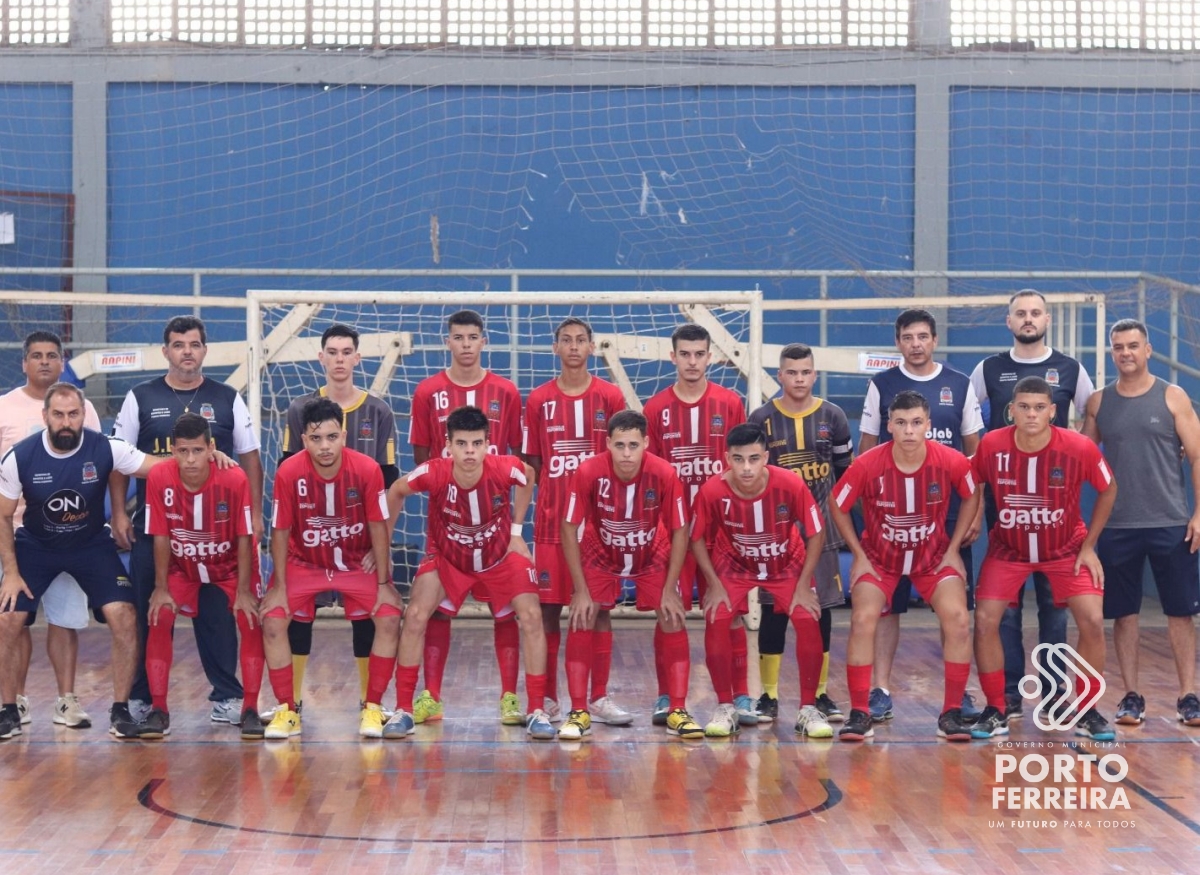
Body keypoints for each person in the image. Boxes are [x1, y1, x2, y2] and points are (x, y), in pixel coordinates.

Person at [112, 315, 264, 724]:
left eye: (194, 345)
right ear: (166, 351)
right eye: (178, 345)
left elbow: (249, 455)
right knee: (153, 611)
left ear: (204, 351)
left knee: (218, 618)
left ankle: (228, 698)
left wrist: (257, 512)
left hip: (218, 532)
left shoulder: (227, 396)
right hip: (157, 528)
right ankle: (145, 698)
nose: (186, 352)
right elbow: (116, 459)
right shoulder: (139, 397)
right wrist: (116, 513)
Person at [0, 383, 160, 740]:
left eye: (73, 414)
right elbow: (2, 515)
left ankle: (120, 711)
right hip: (36, 545)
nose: (66, 422)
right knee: (8, 618)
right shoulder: (20, 456)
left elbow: (158, 468)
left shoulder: (105, 447)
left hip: (90, 544)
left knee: (125, 615)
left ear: (84, 415)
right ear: (45, 417)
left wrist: (204, 458)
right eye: (58, 415)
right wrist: (10, 572)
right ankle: (8, 710)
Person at [387, 405, 554, 740]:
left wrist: (518, 532)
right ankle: (404, 709)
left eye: (476, 444)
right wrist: (384, 547)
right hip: (449, 558)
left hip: (498, 556)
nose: (469, 452)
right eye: (461, 444)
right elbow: (396, 491)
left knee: (533, 616)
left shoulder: (505, 467)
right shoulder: (432, 472)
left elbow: (530, 476)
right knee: (416, 614)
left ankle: (536, 710)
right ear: (448, 445)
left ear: (488, 444)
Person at [969, 376, 1117, 741]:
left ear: (1053, 411)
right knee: (986, 619)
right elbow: (971, 481)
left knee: (1093, 620)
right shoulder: (991, 445)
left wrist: (1089, 546)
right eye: (1024, 407)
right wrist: (971, 522)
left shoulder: (1079, 447)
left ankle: (1087, 709)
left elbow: (1108, 488)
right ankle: (995, 707)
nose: (1031, 414)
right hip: (1008, 550)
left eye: (1039, 408)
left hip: (1066, 549)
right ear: (1011, 410)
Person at [969, 289, 1095, 717]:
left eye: (1035, 313)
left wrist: (1080, 459)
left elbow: (1091, 415)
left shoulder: (1071, 369)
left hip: (1057, 510)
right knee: (1004, 608)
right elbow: (972, 427)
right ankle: (1006, 694)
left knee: (1054, 608)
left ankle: (1057, 693)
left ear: (1047, 319)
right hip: (1007, 509)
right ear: (1008, 321)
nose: (1028, 319)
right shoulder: (987, 369)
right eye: (1020, 313)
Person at [830, 391, 980, 743]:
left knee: (958, 619)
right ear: (889, 426)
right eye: (901, 423)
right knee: (862, 619)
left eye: (916, 423)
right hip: (880, 558)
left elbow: (973, 493)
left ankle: (952, 712)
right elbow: (838, 505)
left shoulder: (951, 460)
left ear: (928, 425)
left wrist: (954, 548)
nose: (909, 430)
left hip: (932, 558)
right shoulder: (868, 464)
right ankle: (859, 713)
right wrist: (859, 554)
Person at [858, 309, 983, 723]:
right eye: (908, 337)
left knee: (955, 610)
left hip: (944, 515)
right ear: (898, 342)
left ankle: (959, 692)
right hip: (891, 517)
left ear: (934, 340)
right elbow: (866, 448)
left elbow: (974, 453)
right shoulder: (882, 385)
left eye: (923, 336)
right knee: (885, 608)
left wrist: (976, 510)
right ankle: (879, 688)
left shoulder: (959, 384)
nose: (916, 343)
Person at [259, 398, 401, 740]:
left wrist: (383, 580)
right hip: (304, 562)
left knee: (389, 616)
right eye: (316, 438)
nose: (325, 445)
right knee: (274, 618)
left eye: (332, 437)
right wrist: (278, 584)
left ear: (344, 435)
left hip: (354, 562)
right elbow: (279, 530)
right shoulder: (289, 472)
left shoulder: (367, 469)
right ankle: (287, 710)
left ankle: (372, 707)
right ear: (304, 440)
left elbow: (379, 525)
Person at [407, 309, 524, 725]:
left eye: (474, 337)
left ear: (484, 341)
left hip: (495, 527)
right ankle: (430, 697)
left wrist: (515, 528)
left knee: (506, 609)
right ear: (448, 342)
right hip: (446, 527)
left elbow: (515, 460)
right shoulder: (427, 392)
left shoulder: (506, 391)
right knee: (437, 608)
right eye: (459, 337)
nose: (467, 345)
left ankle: (510, 698)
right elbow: (422, 461)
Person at [1081, 319, 1200, 727]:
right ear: (1112, 353)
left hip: (1171, 522)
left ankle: (1188, 695)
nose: (1126, 353)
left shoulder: (1174, 397)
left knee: (1180, 613)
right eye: (1119, 347)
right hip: (1117, 526)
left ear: (1148, 350)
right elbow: (1080, 455)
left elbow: (1197, 455)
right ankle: (1131, 696)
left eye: (1133, 345)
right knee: (1124, 615)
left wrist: (1199, 513)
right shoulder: (1098, 402)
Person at [279, 323, 398, 714]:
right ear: (321, 357)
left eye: (347, 352)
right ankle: (289, 705)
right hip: (310, 544)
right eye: (333, 352)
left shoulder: (378, 411)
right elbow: (286, 476)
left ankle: (370, 703)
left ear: (358, 358)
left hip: (359, 545)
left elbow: (391, 485)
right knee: (297, 617)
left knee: (366, 619)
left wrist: (383, 551)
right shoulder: (299, 410)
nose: (340, 359)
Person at [560, 409, 700, 740]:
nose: (626, 454)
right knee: (584, 615)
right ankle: (580, 709)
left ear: (646, 444)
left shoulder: (665, 473)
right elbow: (568, 526)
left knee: (672, 616)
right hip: (600, 552)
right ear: (607, 443)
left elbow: (681, 530)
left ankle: (677, 709)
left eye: (633, 445)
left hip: (652, 552)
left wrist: (670, 587)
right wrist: (580, 590)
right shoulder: (587, 472)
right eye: (619, 445)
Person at [690, 423, 827, 738]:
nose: (746, 467)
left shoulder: (790, 484)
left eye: (754, 458)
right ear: (727, 458)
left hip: (786, 562)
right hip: (734, 562)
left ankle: (808, 709)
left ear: (766, 457)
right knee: (717, 615)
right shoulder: (712, 491)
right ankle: (726, 707)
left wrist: (804, 584)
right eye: (738, 459)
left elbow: (817, 532)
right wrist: (713, 582)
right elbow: (695, 538)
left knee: (808, 618)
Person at [643, 323, 749, 726]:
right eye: (684, 354)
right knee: (669, 612)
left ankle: (739, 697)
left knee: (730, 611)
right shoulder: (654, 409)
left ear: (710, 357)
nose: (692, 361)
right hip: (672, 532)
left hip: (721, 533)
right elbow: (649, 475)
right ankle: (667, 696)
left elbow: (742, 467)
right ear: (673, 357)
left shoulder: (730, 403)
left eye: (699, 354)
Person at [522, 318, 626, 724]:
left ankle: (597, 698)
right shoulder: (538, 400)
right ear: (555, 348)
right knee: (548, 611)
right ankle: (547, 700)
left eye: (581, 340)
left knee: (599, 609)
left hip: (600, 527)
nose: (573, 347)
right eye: (566, 340)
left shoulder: (611, 396)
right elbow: (534, 463)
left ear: (592, 347)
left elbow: (623, 455)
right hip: (550, 524)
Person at [0, 331, 102, 729]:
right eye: (36, 356)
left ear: (63, 363)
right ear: (23, 363)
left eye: (52, 356)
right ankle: (16, 702)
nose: (44, 362)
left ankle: (66, 701)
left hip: (68, 533)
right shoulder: (4, 407)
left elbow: (101, 457)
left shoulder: (83, 408)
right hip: (16, 532)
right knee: (15, 619)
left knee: (65, 618)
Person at [748, 343, 853, 724]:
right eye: (791, 372)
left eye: (805, 372)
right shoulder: (761, 418)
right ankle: (769, 695)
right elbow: (751, 475)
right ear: (780, 376)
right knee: (773, 611)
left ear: (814, 375)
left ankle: (821, 693)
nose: (798, 379)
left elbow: (844, 474)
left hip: (820, 535)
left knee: (820, 612)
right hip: (775, 536)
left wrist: (838, 522)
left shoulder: (834, 416)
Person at [143, 413, 265, 739]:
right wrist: (159, 587)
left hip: (229, 568)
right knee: (159, 615)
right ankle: (158, 709)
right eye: (183, 451)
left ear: (211, 447)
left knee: (250, 617)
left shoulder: (235, 478)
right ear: (172, 450)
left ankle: (250, 707)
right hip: (183, 568)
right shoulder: (159, 477)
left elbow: (244, 537)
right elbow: (160, 535)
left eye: (198, 450)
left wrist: (242, 589)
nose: (191, 459)